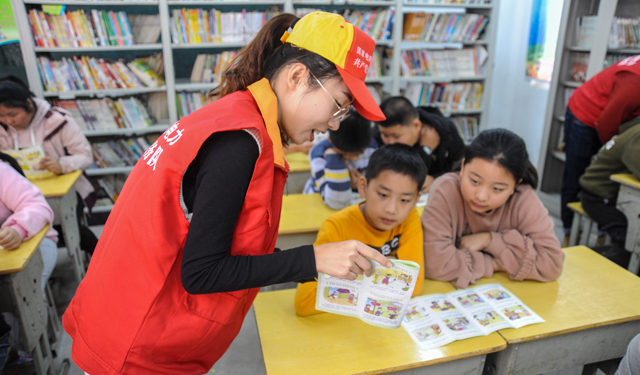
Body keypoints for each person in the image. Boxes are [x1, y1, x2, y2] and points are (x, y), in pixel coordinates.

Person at [62, 11, 393, 375]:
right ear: (298, 77)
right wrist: (311, 259)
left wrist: (317, 266)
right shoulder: (239, 144)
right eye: (338, 105)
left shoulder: (237, 119)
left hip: (130, 318)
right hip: (138, 346)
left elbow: (225, 244)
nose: (334, 124)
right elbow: (201, 272)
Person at [295, 143, 427, 316]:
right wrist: (390, 265)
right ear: (363, 187)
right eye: (383, 195)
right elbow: (305, 303)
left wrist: (350, 277)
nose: (391, 209)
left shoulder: (409, 218)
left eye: (404, 200)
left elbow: (414, 285)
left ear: (416, 199)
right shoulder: (337, 226)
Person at [422, 128, 564, 288]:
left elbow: (552, 263)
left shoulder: (523, 198)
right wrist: (501, 263)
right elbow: (434, 263)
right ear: (463, 167)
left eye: (497, 189)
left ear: (515, 185)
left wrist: (490, 240)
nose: (481, 196)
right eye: (475, 181)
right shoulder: (446, 189)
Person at [0, 75, 98, 255]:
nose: (8, 121)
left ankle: (98, 254)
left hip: (66, 191)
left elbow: (85, 156)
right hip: (19, 194)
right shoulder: (3, 129)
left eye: (13, 114)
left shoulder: (58, 120)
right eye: (1, 115)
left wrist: (61, 164)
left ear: (29, 104)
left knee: (68, 228)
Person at [561, 55, 640, 246]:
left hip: (615, 120)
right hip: (586, 115)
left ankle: (601, 235)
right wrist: (613, 151)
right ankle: (569, 233)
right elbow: (606, 123)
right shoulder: (634, 83)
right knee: (576, 176)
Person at [579, 117, 640, 268]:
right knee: (630, 238)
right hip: (597, 197)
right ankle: (611, 276)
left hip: (605, 195)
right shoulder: (637, 137)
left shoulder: (635, 129)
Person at [374, 96, 465, 192]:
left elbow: (461, 169)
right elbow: (392, 173)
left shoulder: (445, 131)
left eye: (396, 136)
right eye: (385, 135)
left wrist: (437, 179)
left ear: (416, 125)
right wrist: (425, 149)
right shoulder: (380, 131)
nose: (390, 142)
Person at [0, 160, 58, 297]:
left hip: (33, 241)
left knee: (30, 293)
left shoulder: (2, 172)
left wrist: (18, 229)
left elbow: (38, 206)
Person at [303, 108, 377, 210]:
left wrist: (359, 185)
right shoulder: (319, 152)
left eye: (360, 153)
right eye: (346, 154)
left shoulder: (370, 145)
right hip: (320, 204)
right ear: (330, 140)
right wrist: (334, 159)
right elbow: (337, 202)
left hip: (354, 202)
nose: (354, 158)